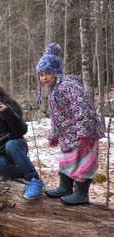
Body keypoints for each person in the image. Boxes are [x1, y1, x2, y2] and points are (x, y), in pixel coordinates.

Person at [37, 43, 105, 205]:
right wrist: (53, 136)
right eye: (41, 74)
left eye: (48, 73)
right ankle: (65, 187)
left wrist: (85, 132)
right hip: (69, 135)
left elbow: (83, 108)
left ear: (56, 72)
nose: (44, 77)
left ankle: (81, 194)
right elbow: (56, 117)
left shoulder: (68, 87)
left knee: (84, 162)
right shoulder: (55, 89)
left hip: (84, 134)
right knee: (67, 160)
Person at [0, 83, 45, 200]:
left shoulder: (7, 107)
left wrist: (8, 112)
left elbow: (20, 130)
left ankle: (34, 179)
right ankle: (25, 173)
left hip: (14, 146)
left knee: (11, 145)